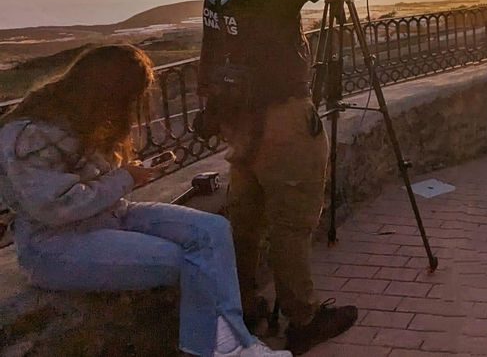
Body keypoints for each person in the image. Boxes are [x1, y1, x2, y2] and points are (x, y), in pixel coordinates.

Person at [0, 45, 290, 357]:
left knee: (213, 230)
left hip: (109, 215)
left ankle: (229, 343)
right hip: (54, 244)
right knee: (193, 259)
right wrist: (126, 178)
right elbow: (56, 208)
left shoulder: (81, 118)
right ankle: (223, 348)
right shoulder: (33, 135)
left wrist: (127, 175)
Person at [200, 0, 378, 354]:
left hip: (237, 115)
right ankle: (303, 319)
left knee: (247, 218)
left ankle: (244, 307)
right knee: (292, 222)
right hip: (279, 114)